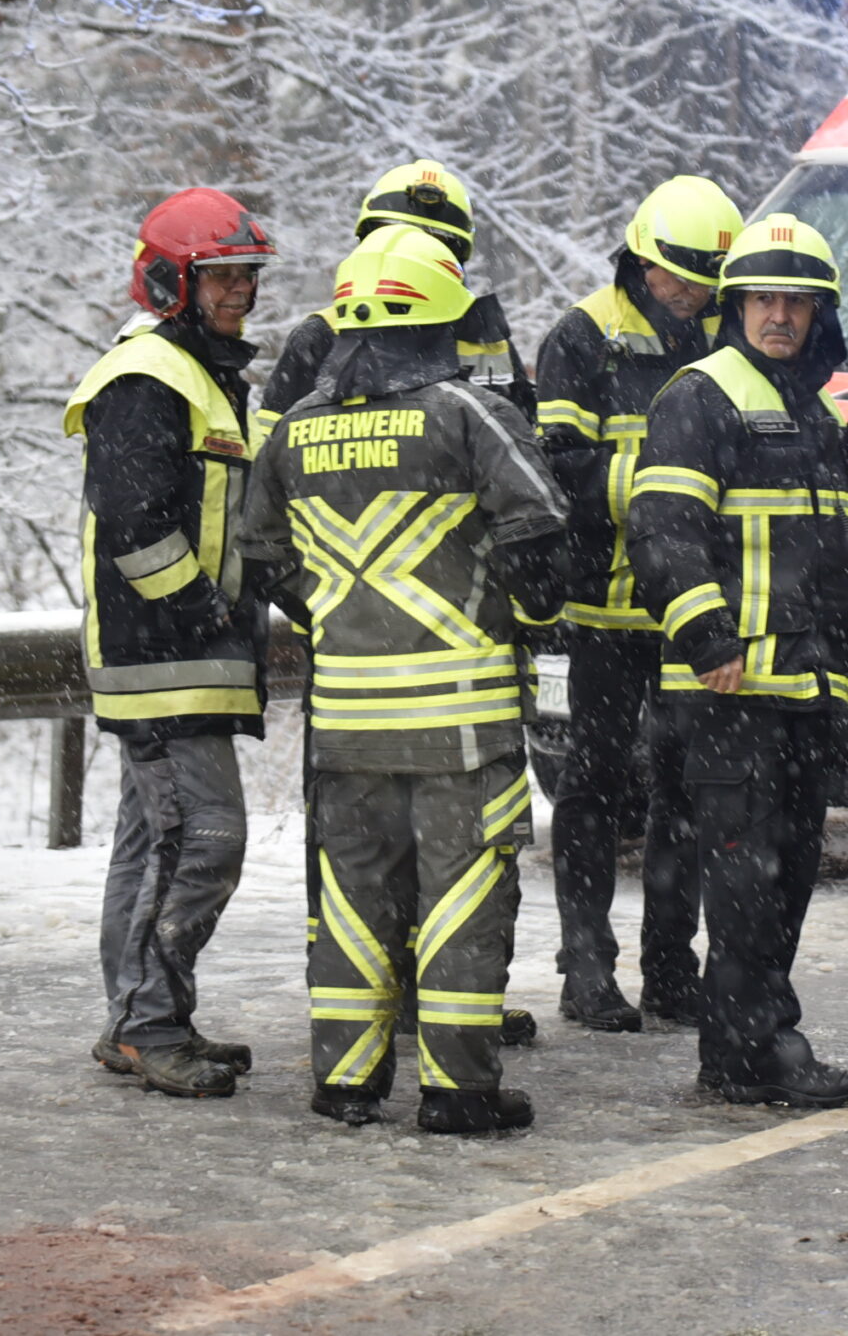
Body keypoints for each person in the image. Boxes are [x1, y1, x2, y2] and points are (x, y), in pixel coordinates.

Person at [237, 224, 571, 1134]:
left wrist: (339, 618)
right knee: (461, 899)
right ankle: (459, 1091)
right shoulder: (468, 414)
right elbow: (541, 534)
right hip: (461, 721)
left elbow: (260, 554)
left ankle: (346, 1079)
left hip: (347, 722)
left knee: (354, 901)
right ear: (438, 322)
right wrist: (520, 611)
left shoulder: (297, 430)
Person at [627, 212, 848, 1108]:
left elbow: (837, 551)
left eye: (796, 301)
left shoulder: (813, 412)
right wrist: (707, 639)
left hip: (804, 689)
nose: (779, 315)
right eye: (763, 299)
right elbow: (662, 531)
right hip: (731, 694)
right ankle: (759, 1047)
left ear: (819, 314)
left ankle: (743, 1050)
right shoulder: (699, 396)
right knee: (746, 884)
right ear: (737, 304)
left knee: (784, 879)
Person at [62, 188, 275, 1099]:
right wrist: (203, 610)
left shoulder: (203, 374)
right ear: (169, 281)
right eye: (220, 275)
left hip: (185, 659)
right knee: (204, 840)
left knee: (154, 843)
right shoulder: (147, 376)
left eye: (247, 275)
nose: (239, 291)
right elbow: (135, 520)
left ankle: (141, 1019)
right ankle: (148, 1023)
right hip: (165, 660)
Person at [533, 175, 741, 1031]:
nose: (690, 295)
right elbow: (557, 472)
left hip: (692, 608)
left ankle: (670, 968)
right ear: (640, 261)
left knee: (687, 789)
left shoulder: (726, 335)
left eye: (705, 281)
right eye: (678, 277)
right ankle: (586, 966)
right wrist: (664, 486)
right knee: (593, 784)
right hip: (603, 608)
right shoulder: (582, 338)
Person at [259, 160, 530, 430]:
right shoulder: (321, 335)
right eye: (394, 236)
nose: (410, 253)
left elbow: (523, 437)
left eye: (432, 242)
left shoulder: (487, 339)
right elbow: (273, 443)